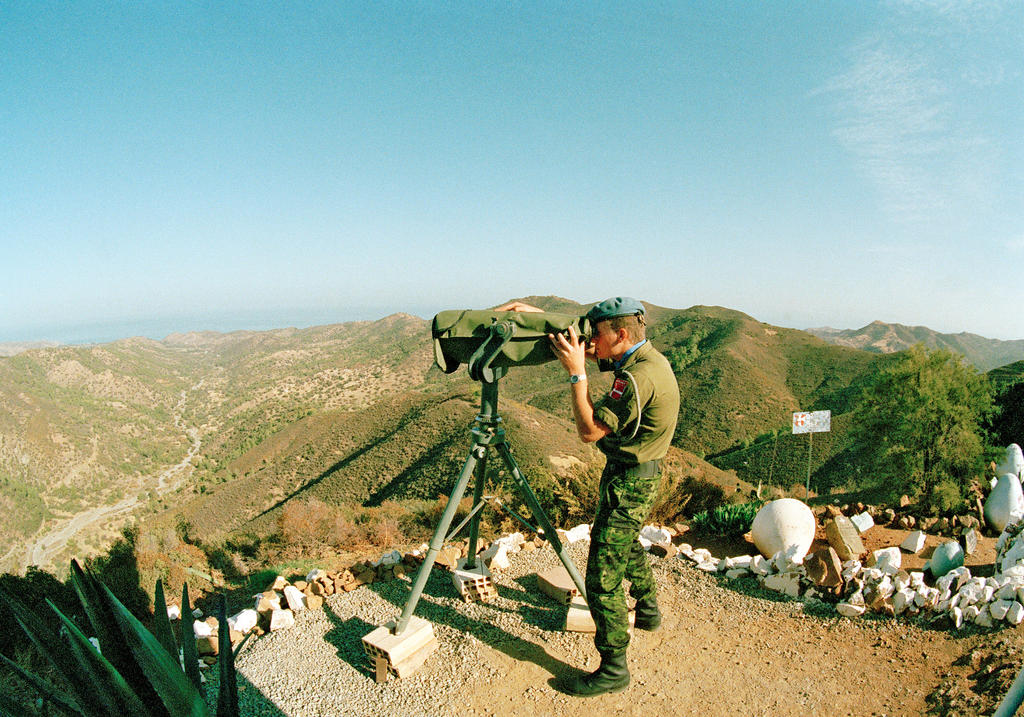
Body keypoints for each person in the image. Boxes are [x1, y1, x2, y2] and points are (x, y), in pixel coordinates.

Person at [497, 297, 680, 696]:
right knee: (623, 541)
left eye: (598, 334)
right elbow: (588, 336)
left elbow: (589, 431)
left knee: (601, 578)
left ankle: (614, 667)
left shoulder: (635, 379)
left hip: (630, 480)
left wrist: (577, 375)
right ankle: (648, 610)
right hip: (639, 474)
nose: (592, 342)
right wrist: (539, 316)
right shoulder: (646, 359)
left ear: (622, 334)